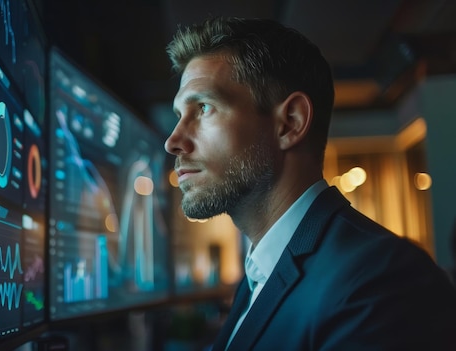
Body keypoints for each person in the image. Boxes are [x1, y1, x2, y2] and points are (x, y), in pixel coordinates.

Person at [163, 17, 456, 351]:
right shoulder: (261, 271)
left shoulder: (381, 281)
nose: (173, 141)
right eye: (178, 116)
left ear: (291, 123)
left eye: (203, 108)